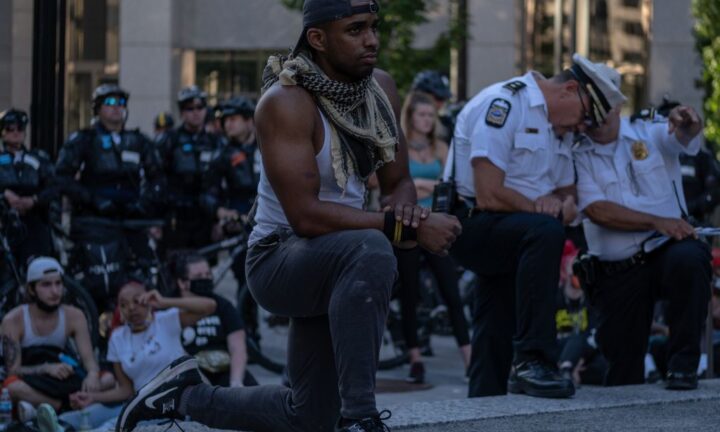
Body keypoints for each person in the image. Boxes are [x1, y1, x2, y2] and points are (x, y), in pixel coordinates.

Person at [114, 1, 460, 431]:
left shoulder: (381, 89)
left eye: (374, 27)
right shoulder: (286, 102)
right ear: (317, 39)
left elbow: (397, 182)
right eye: (355, 30)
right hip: (279, 258)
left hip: (338, 257)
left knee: (309, 415)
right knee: (374, 249)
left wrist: (406, 209)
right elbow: (306, 218)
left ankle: (181, 395)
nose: (371, 40)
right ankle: (360, 418)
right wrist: (410, 227)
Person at [447, 53, 626, 398]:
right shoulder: (505, 104)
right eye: (584, 115)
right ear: (569, 89)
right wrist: (540, 209)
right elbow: (488, 193)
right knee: (545, 232)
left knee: (495, 314)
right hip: (470, 221)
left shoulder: (558, 129)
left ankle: (484, 400)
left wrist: (560, 205)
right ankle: (534, 358)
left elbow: (569, 197)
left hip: (514, 228)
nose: (582, 127)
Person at [573, 87, 710, 389]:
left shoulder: (648, 131)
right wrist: (656, 221)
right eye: (589, 115)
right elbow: (598, 210)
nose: (595, 122)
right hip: (618, 270)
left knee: (690, 258)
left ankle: (683, 367)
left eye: (602, 112)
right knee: (623, 371)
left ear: (616, 107)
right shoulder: (578, 153)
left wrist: (690, 123)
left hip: (664, 251)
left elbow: (681, 137)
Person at [55, 84, 165, 310]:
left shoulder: (139, 141)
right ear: (97, 108)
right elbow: (62, 178)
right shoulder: (83, 140)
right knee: (96, 280)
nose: (117, 108)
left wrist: (143, 203)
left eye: (121, 103)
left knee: (146, 271)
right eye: (110, 103)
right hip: (94, 223)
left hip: (130, 220)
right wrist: (93, 200)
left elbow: (158, 178)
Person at [60, 277, 215, 430]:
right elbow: (126, 390)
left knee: (109, 428)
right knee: (70, 420)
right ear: (119, 310)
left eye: (137, 300)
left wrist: (164, 302)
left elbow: (209, 306)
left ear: (148, 300)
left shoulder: (165, 321)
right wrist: (92, 397)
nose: (131, 308)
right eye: (124, 304)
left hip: (171, 405)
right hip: (139, 405)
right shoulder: (117, 338)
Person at [399, 91, 471, 383]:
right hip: (406, 227)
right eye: (422, 114)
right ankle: (415, 358)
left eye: (431, 115)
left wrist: (417, 183)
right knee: (409, 294)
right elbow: (388, 184)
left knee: (452, 293)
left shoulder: (441, 147)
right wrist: (423, 184)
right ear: (410, 117)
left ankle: (469, 358)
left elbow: (449, 185)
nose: (428, 120)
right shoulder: (399, 147)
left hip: (435, 225)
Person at [0, 258, 113, 413]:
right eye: (46, 285)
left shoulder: (74, 315)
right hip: (34, 377)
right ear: (31, 289)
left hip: (63, 377)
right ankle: (60, 405)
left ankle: (41, 406)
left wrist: (92, 375)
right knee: (12, 387)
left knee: (108, 379)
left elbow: (89, 361)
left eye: (58, 283)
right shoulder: (14, 320)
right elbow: (13, 370)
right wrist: (45, 368)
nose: (55, 291)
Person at [171, 253, 257, 387]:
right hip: (190, 376)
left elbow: (238, 346)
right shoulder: (170, 309)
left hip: (226, 371)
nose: (205, 279)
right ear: (182, 283)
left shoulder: (223, 305)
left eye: (208, 274)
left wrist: (236, 382)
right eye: (198, 276)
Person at [155, 85, 223, 253]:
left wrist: (218, 221)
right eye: (190, 108)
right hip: (176, 216)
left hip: (206, 218)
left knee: (205, 264)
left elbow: (221, 182)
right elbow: (156, 179)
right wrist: (156, 220)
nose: (196, 112)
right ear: (182, 113)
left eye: (200, 107)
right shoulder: (169, 140)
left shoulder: (216, 142)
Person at [0, 109, 58, 266]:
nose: (15, 133)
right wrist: (5, 195)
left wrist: (34, 200)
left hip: (34, 224)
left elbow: (54, 187)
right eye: (10, 129)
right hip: (4, 223)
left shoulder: (38, 158)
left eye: (20, 128)